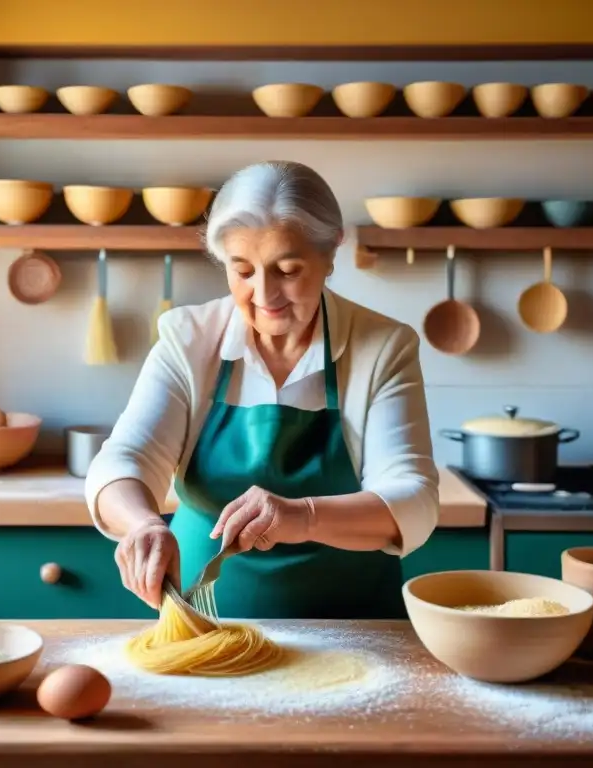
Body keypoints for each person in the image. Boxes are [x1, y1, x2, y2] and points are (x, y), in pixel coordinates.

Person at [85, 160, 439, 620]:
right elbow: (124, 459)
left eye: (288, 270)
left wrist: (304, 516)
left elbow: (412, 499)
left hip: (355, 625)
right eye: (243, 271)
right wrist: (143, 524)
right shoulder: (189, 339)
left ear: (332, 251)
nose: (265, 294)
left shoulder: (383, 347)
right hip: (205, 621)